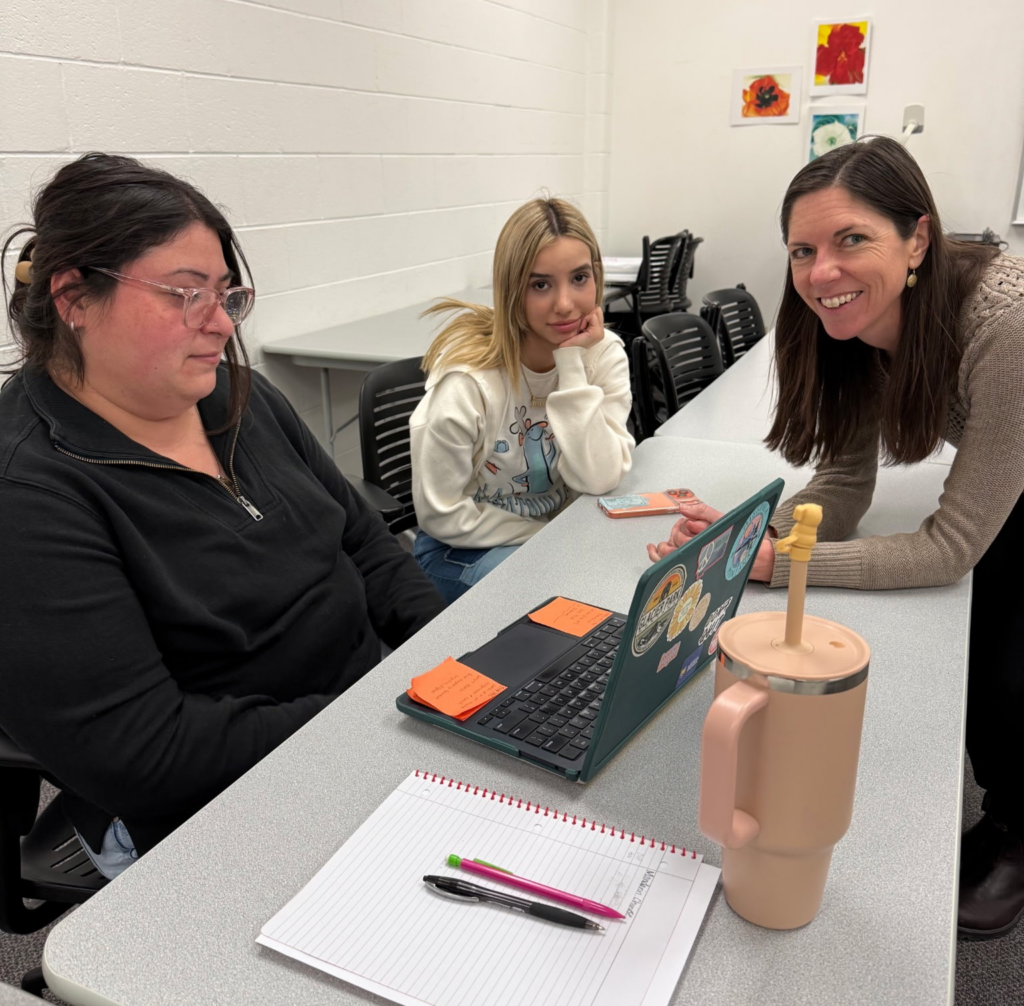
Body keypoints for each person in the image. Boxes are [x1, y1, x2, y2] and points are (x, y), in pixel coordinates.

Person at [0, 153, 444, 878]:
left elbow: (364, 541)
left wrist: (441, 657)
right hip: (219, 809)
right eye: (184, 295)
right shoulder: (29, 493)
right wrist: (375, 711)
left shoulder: (240, 397)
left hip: (369, 728)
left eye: (226, 296)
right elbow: (147, 756)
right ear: (74, 299)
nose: (218, 325)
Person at [647, 136, 1024, 939]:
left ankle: (1015, 824)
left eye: (852, 239)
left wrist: (786, 566)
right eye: (803, 250)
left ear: (917, 238)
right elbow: (845, 485)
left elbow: (951, 545)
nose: (822, 273)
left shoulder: (1007, 326)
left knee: (1000, 657)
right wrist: (760, 532)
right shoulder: (843, 322)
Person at [409, 197, 634, 602]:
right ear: (512, 288)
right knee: (558, 602)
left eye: (580, 278)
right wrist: (547, 538)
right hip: (461, 549)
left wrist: (571, 364)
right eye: (541, 284)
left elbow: (599, 478)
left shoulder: (604, 355)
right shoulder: (468, 383)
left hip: (555, 537)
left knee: (622, 582)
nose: (565, 303)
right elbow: (440, 515)